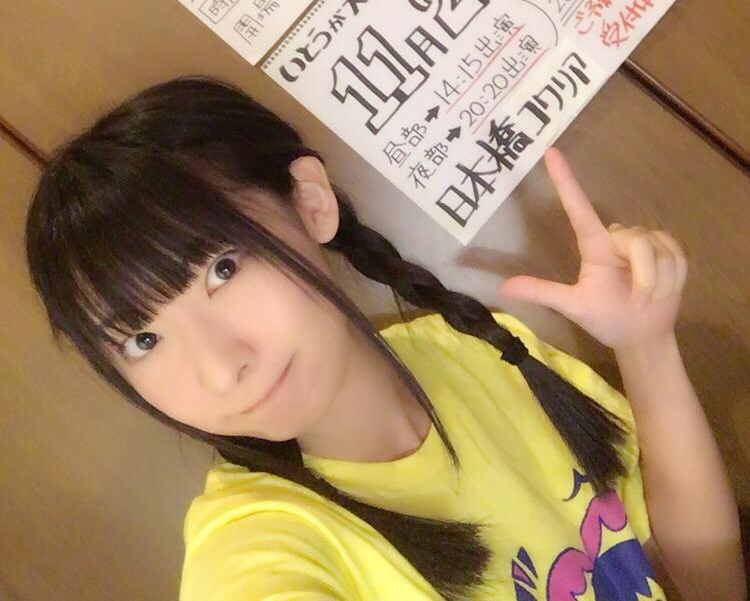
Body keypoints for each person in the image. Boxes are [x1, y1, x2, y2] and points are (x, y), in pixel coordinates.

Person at [24, 75, 744, 601]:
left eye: (222, 269)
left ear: (310, 203)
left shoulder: (474, 349)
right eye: (141, 340)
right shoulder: (260, 542)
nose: (220, 368)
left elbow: (700, 578)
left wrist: (646, 345)